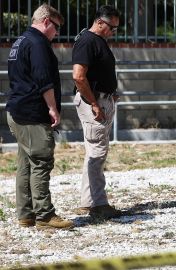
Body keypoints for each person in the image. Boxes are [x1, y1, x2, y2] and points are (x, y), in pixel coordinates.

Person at [6, 4, 74, 229]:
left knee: (26, 163)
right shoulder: (38, 44)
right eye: (56, 28)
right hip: (33, 113)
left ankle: (26, 215)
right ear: (46, 21)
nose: (57, 33)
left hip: (17, 111)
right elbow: (44, 80)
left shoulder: (21, 41)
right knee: (42, 162)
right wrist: (53, 109)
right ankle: (45, 216)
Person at [72, 5, 122, 219]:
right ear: (100, 22)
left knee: (94, 151)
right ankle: (98, 204)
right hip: (94, 101)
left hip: (102, 98)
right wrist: (94, 103)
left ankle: (88, 201)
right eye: (112, 27)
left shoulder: (97, 41)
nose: (113, 32)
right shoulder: (87, 41)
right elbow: (78, 77)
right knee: (97, 153)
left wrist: (110, 92)